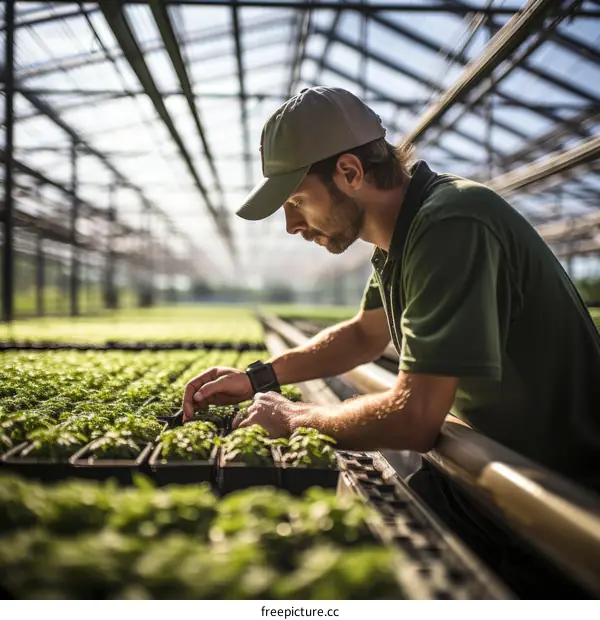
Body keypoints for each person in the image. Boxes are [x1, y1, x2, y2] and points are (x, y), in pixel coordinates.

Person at [182, 87, 600, 595]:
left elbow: (416, 417)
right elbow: (363, 335)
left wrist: (294, 419)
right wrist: (256, 379)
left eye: (295, 202)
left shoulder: (450, 223)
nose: (291, 224)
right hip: (500, 475)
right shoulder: (402, 234)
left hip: (563, 508)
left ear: (351, 173)